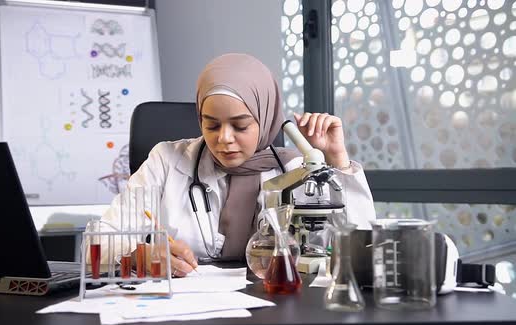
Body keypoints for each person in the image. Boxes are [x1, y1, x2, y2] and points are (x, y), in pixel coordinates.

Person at [99, 53, 376, 277]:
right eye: (211, 124)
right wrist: (137, 255)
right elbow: (98, 242)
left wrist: (337, 159)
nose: (224, 139)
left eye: (240, 125)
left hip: (280, 307)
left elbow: (362, 246)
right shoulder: (166, 160)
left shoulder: (295, 170)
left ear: (265, 118)